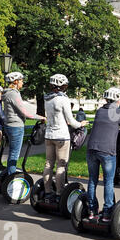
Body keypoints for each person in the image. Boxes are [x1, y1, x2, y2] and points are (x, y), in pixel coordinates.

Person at [86, 87, 120, 221]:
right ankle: (107, 212)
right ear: (117, 100)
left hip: (91, 149)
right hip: (107, 151)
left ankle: (92, 211)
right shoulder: (117, 112)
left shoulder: (99, 111)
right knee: (108, 181)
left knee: (92, 180)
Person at [43, 74, 89, 203]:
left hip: (49, 135)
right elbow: (71, 121)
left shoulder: (47, 98)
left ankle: (47, 193)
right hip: (61, 136)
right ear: (62, 86)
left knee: (48, 164)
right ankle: (59, 194)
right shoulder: (63, 99)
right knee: (61, 166)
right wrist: (81, 124)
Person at [2, 72, 46, 176]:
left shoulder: (7, 93)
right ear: (16, 82)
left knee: (12, 152)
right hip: (16, 127)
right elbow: (24, 112)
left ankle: (9, 173)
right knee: (14, 154)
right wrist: (41, 117)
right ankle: (11, 178)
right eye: (21, 80)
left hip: (9, 125)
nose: (22, 82)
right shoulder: (14, 94)